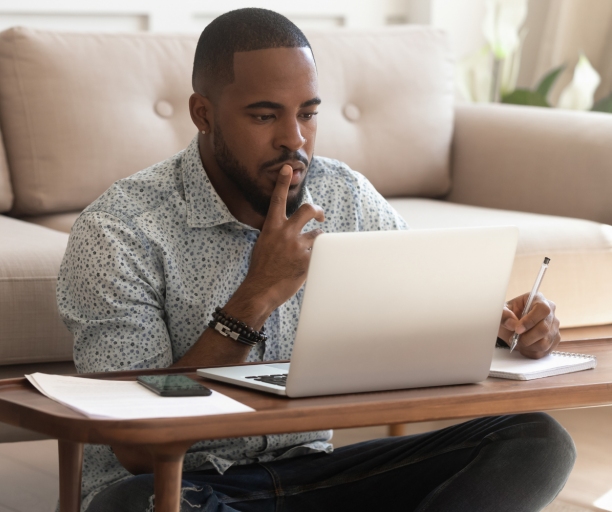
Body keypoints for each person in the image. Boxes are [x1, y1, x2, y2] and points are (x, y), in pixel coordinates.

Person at [57, 8, 574, 512]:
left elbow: (424, 310)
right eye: (264, 115)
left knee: (535, 440)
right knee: (136, 505)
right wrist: (254, 298)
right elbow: (137, 446)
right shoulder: (120, 231)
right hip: (184, 482)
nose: (294, 140)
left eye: (307, 113)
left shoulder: (343, 196)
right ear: (203, 114)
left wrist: (504, 326)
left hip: (319, 474)